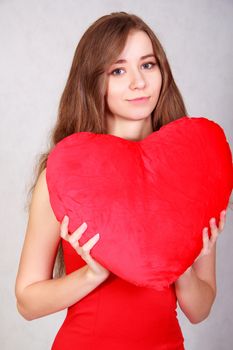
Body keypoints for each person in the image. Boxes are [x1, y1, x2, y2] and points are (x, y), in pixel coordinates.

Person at [15, 11, 227, 349]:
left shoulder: (193, 170)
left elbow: (200, 310)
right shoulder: (64, 174)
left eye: (147, 65)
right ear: (93, 81)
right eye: (118, 70)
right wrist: (92, 274)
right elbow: (27, 301)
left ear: (162, 72)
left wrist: (182, 261)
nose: (138, 82)